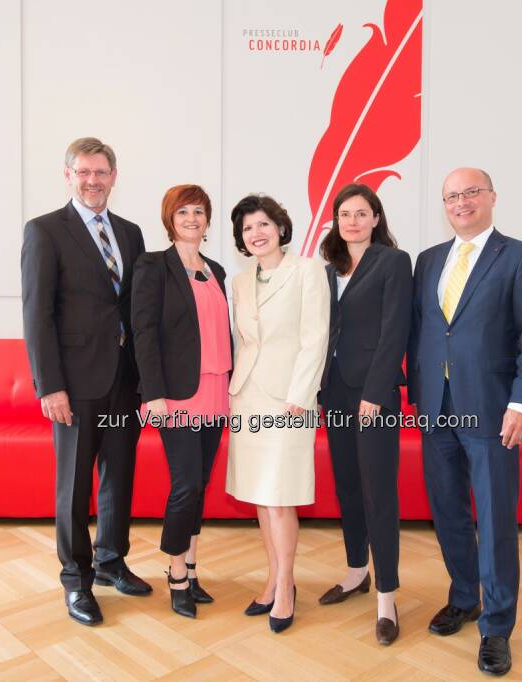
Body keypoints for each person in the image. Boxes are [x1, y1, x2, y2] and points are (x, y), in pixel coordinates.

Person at [407, 168, 522, 676]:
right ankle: (465, 597)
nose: (461, 202)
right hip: (435, 408)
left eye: (471, 192)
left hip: (492, 409)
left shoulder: (520, 256)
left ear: (492, 197)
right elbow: (421, 332)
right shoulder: (428, 260)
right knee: (447, 510)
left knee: (493, 519)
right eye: (452, 196)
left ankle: (497, 626)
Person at [21, 137, 151, 628]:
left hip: (125, 379)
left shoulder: (130, 233)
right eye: (84, 172)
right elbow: (37, 313)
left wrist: (148, 380)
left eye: (101, 172)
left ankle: (111, 561)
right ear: (68, 176)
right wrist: (48, 385)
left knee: (120, 475)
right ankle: (76, 579)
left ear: (113, 177)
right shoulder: (44, 231)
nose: (93, 181)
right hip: (74, 385)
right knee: (74, 485)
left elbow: (137, 310)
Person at [226, 194, 329, 634]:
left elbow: (315, 337)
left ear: (281, 228)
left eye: (264, 224)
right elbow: (244, 343)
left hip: (290, 400)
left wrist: (301, 395)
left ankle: (286, 587)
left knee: (280, 496)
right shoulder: (239, 281)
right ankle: (273, 579)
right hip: (248, 398)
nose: (257, 233)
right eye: (248, 228)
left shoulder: (307, 270)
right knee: (260, 496)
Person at [317, 184, 411, 646]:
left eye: (360, 213)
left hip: (374, 396)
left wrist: (375, 393)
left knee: (379, 493)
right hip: (334, 391)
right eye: (344, 214)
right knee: (348, 487)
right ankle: (357, 571)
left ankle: (387, 597)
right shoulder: (327, 268)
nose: (352, 222)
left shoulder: (393, 262)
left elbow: (396, 329)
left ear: (376, 218)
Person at [131, 184, 231, 619]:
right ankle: (175, 574)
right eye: (183, 211)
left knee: (200, 485)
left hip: (217, 389)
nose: (192, 218)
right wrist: (152, 392)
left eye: (199, 211)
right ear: (170, 219)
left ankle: (191, 568)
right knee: (185, 484)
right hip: (177, 396)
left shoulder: (217, 270)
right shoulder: (153, 266)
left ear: (208, 221)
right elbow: (143, 332)